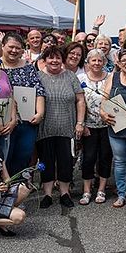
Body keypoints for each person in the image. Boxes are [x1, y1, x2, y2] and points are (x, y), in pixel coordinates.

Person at [36, 46, 86, 208]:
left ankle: (65, 193)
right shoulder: (38, 77)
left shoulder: (70, 77)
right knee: (46, 161)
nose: (54, 61)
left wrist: (80, 122)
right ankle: (48, 195)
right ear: (44, 60)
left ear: (62, 59)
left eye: (58, 57)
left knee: (66, 161)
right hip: (45, 128)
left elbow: (80, 100)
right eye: (51, 58)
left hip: (67, 127)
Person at [0, 33, 46, 175]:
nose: (14, 51)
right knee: (3, 157)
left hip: (27, 121)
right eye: (11, 47)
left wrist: (40, 113)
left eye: (18, 48)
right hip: (3, 121)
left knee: (23, 156)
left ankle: (17, 191)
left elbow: (39, 90)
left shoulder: (29, 68)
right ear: (2, 46)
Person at [101, 49, 126, 208]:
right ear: (118, 63)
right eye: (124, 60)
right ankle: (121, 194)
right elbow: (104, 98)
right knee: (119, 161)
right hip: (116, 126)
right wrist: (103, 113)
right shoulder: (113, 77)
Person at [77, 49, 113, 205]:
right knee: (89, 158)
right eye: (94, 60)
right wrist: (81, 123)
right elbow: (78, 102)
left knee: (105, 157)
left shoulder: (110, 77)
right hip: (89, 126)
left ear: (104, 62)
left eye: (100, 60)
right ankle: (86, 190)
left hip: (108, 125)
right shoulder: (80, 78)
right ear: (88, 62)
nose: (97, 63)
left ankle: (101, 189)